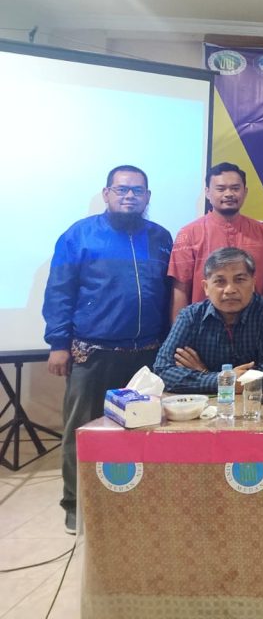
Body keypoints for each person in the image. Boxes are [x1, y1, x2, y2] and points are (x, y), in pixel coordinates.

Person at [43, 165, 172, 534]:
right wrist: (58, 344)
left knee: (145, 430)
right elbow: (60, 291)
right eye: (122, 189)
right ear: (106, 194)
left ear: (147, 197)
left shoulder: (160, 238)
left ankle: (134, 499)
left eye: (137, 191)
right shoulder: (79, 235)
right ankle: (76, 504)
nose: (129, 196)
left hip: (147, 355)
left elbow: (169, 294)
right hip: (92, 354)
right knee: (83, 432)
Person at [155, 248, 263, 393]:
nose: (230, 290)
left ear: (252, 284)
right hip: (204, 405)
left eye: (239, 280)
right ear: (206, 287)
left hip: (258, 404)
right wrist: (222, 380)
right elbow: (162, 371)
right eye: (220, 281)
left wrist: (205, 373)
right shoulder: (191, 316)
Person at [168, 162, 263, 322]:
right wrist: (180, 330)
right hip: (203, 326)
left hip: (254, 325)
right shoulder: (189, 234)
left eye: (235, 188)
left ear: (245, 192)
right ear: (207, 192)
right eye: (221, 189)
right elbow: (180, 289)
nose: (229, 194)